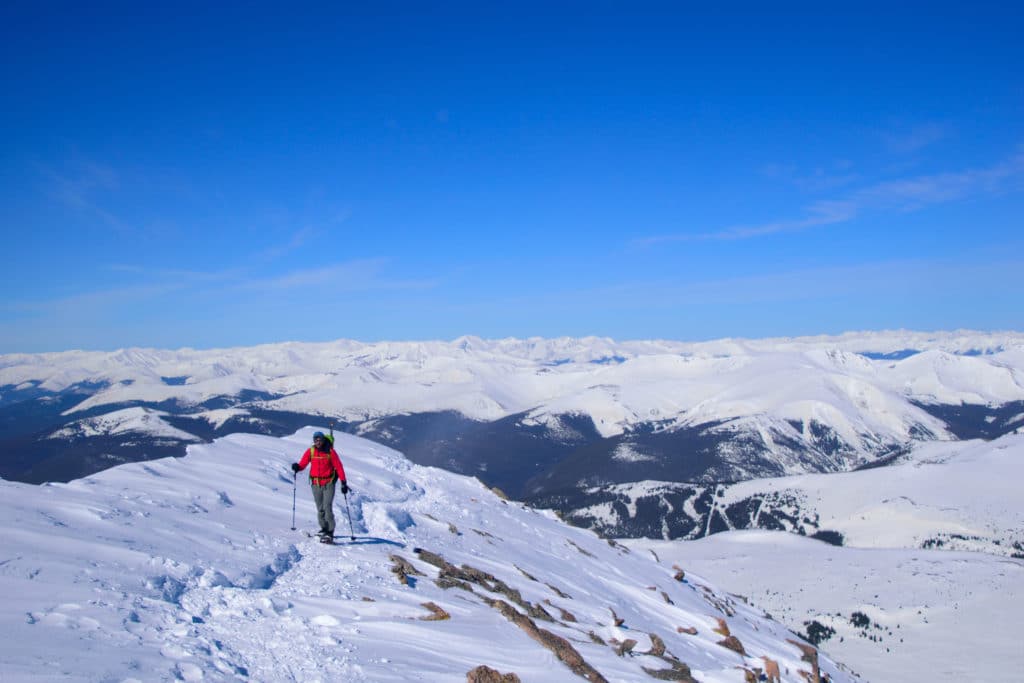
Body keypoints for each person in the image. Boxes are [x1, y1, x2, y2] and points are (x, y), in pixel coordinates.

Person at [291, 431, 349, 543]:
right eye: (315, 440)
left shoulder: (330, 452)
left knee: (327, 507)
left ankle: (330, 531)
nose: (317, 442)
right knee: (320, 508)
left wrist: (343, 483)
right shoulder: (311, 451)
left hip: (328, 483)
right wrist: (297, 467)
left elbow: (339, 467)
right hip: (315, 484)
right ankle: (323, 528)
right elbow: (303, 464)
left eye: (319, 440)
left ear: (323, 440)